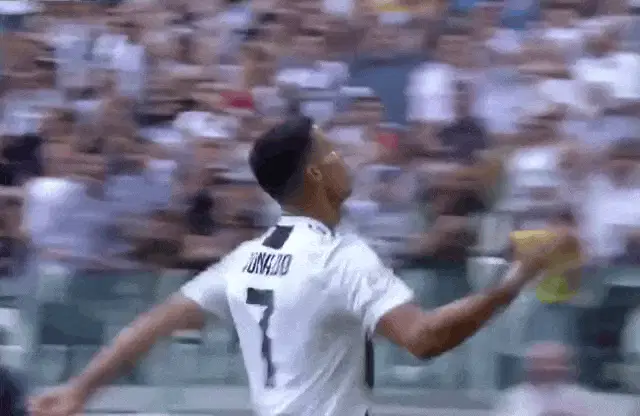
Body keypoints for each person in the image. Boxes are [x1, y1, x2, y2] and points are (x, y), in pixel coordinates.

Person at [30, 116, 579, 416]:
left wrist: (81, 389)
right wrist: (517, 278)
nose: (345, 160)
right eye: (333, 153)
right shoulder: (341, 256)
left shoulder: (246, 259)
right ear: (316, 174)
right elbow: (424, 339)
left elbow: (151, 325)